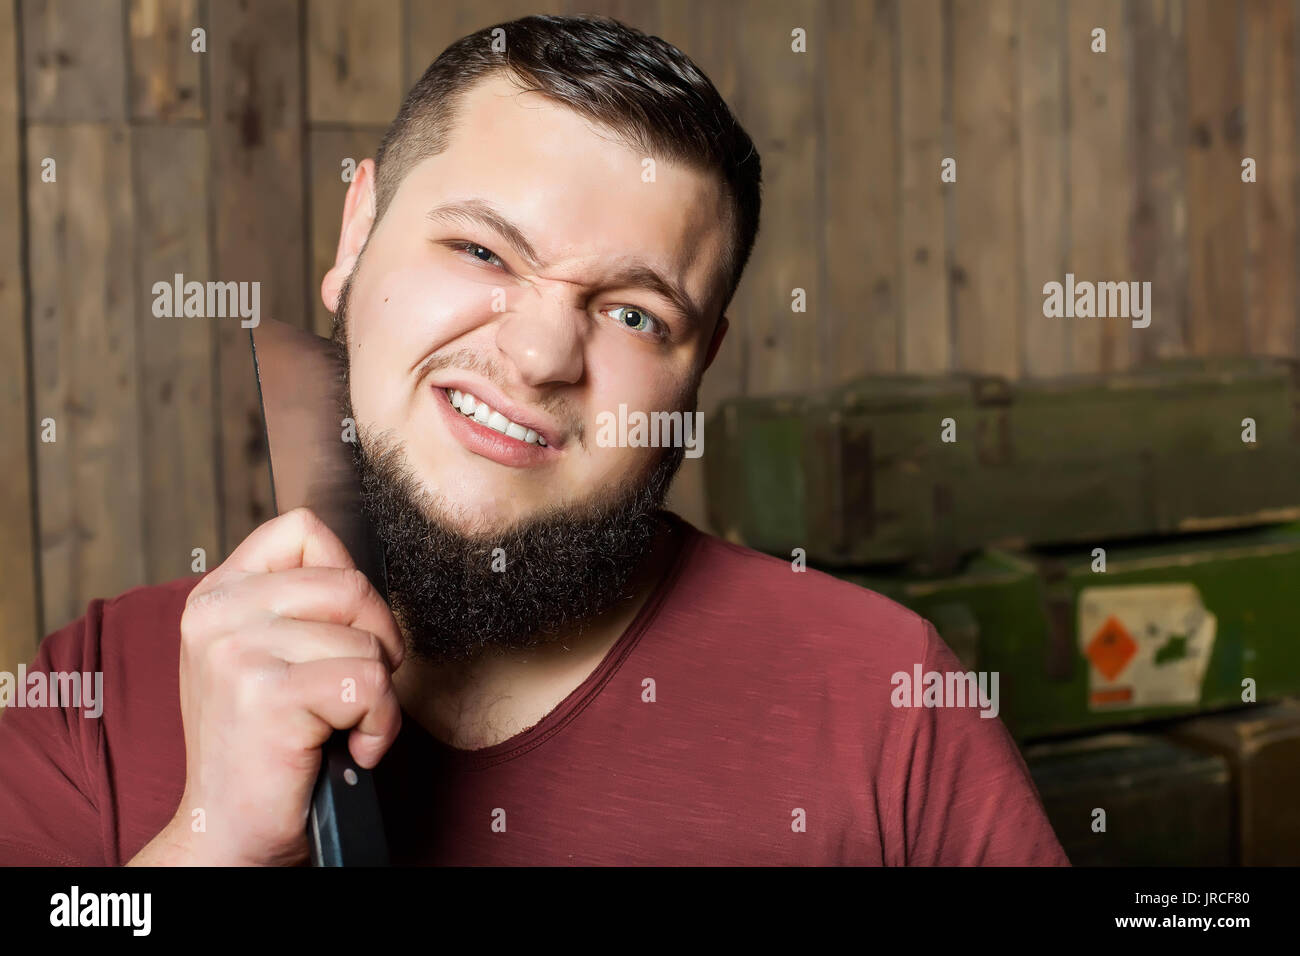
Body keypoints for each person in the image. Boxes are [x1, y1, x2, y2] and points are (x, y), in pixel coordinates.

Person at [0, 14, 1066, 866]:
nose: (543, 351)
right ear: (355, 237)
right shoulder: (98, 684)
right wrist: (211, 844)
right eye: (480, 250)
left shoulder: (884, 696)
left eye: (636, 312)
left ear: (702, 361)